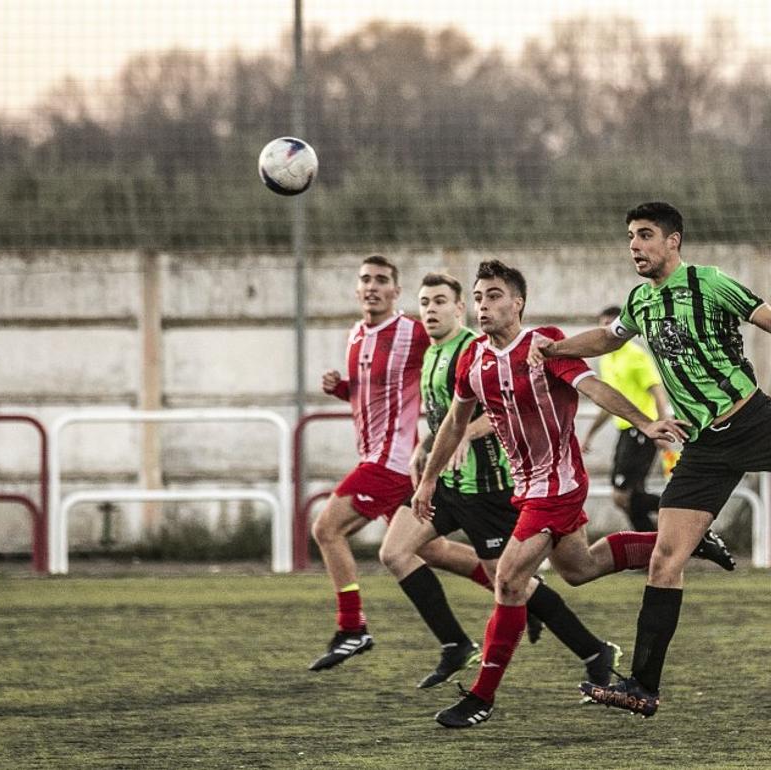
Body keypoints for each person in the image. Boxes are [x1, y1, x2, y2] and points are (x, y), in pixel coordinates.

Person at [410, 259, 731, 729]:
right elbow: (455, 423)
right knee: (580, 569)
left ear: (518, 303)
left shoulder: (545, 345)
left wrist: (644, 422)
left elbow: (595, 386)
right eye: (478, 297)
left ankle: (481, 696)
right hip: (528, 488)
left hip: (556, 484)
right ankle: (683, 542)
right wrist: (428, 478)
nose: (483, 305)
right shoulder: (472, 358)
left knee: (509, 580)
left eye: (494, 295)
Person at [533, 201, 771, 717]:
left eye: (644, 236)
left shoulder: (710, 283)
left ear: (673, 241)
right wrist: (554, 349)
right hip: (704, 447)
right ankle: (642, 686)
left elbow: (767, 318)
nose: (634, 246)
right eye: (630, 238)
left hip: (754, 420)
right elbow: (606, 338)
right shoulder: (641, 300)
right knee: (665, 559)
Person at [381, 272, 619, 692]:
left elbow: (499, 408)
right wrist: (426, 456)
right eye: (424, 302)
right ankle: (455, 643)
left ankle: (590, 649)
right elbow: (445, 417)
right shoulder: (435, 353)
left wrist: (464, 437)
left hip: (487, 485)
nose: (430, 310)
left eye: (440, 301)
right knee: (397, 551)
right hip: (449, 483)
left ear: (459, 310)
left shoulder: (474, 348)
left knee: (512, 581)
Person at [309, 255, 493, 672]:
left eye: (381, 280)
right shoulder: (356, 333)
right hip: (385, 462)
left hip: (390, 464)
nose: (372, 286)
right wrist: (342, 389)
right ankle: (522, 591)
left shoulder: (412, 330)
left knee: (326, 528)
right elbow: (371, 394)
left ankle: (352, 627)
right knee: (435, 550)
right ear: (357, 290)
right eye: (365, 280)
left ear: (395, 291)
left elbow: (458, 354)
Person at [578, 305, 673, 532]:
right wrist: (589, 435)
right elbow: (608, 402)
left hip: (642, 431)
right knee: (631, 495)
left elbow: (658, 392)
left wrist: (661, 428)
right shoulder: (606, 359)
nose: (606, 331)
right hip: (625, 432)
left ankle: (681, 511)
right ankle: (651, 546)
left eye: (610, 326)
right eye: (602, 326)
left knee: (622, 496)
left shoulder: (635, 355)